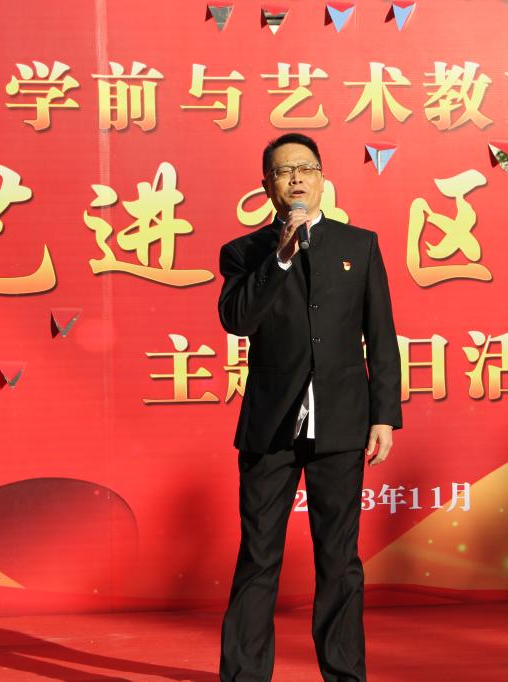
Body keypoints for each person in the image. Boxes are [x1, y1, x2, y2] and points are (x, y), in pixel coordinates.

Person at [216, 133, 402, 681]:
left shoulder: (359, 245)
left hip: (341, 422)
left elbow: (381, 336)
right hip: (270, 426)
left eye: (306, 168)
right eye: (284, 171)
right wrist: (279, 258)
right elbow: (237, 320)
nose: (296, 178)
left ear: (322, 178)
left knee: (339, 560)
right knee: (259, 557)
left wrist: (383, 415)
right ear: (267, 186)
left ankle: (344, 674)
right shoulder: (245, 252)